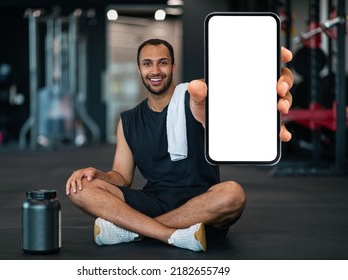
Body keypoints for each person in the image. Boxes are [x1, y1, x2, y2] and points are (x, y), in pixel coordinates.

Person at [66, 38, 294, 252]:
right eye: (147, 64)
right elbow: (122, 176)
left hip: (203, 202)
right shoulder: (129, 120)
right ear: (139, 69)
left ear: (173, 66)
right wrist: (98, 175)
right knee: (81, 189)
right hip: (153, 200)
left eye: (162, 63)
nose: (155, 71)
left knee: (233, 193)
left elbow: (228, 93)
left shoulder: (197, 99)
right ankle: (172, 234)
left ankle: (134, 231)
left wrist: (259, 83)